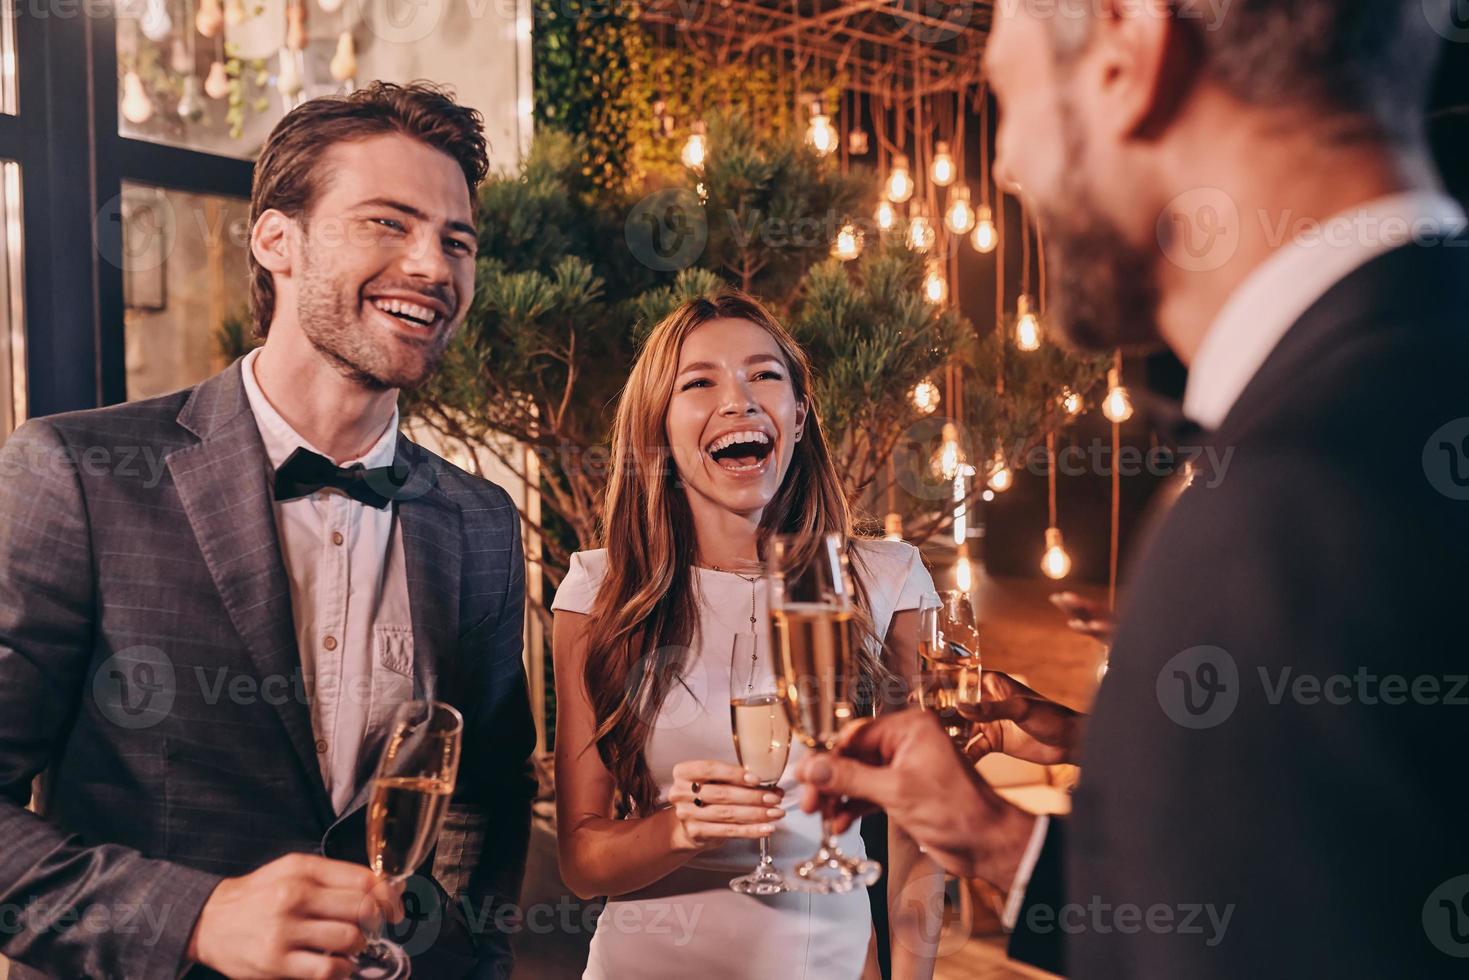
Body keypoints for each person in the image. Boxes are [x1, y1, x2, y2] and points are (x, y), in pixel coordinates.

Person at [798, 0, 1469, 976]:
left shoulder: (1279, 518)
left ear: (1126, 48)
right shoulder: (1402, 395)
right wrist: (999, 843)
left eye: (1005, 93)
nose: (1006, 163)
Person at [0, 82, 535, 979]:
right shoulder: (77, 473)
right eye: (387, 223)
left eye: (456, 241)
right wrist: (196, 920)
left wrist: (469, 962)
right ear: (275, 240)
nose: (435, 268)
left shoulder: (480, 523)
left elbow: (487, 795)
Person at [550, 290, 943, 978]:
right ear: (660, 427)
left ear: (798, 411)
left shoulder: (889, 582)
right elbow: (583, 863)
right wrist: (679, 828)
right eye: (699, 382)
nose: (737, 400)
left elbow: (920, 839)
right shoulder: (597, 592)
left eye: (763, 374)